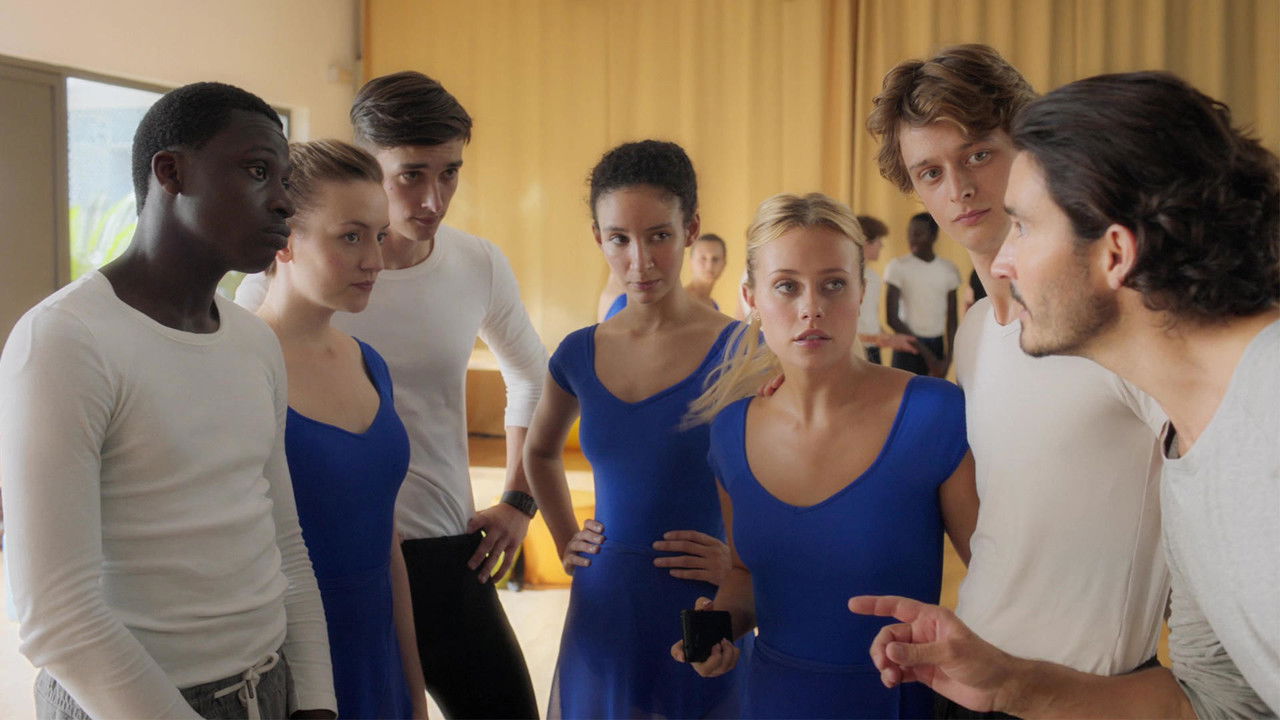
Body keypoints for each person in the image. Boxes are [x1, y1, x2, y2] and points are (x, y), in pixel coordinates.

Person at [854, 71, 1279, 719]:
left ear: (1115, 253)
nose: (1001, 263)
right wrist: (1011, 685)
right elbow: (1217, 701)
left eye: (1024, 225)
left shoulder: (1251, 417)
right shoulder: (1192, 459)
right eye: (930, 172)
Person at [0, 82, 335, 719]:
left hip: (268, 686)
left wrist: (315, 702)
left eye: (285, 180)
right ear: (171, 173)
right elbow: (59, 619)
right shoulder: (67, 340)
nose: (284, 201)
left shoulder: (252, 342)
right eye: (257, 171)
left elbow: (284, 542)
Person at [237, 71, 546, 718]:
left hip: (444, 545)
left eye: (450, 173)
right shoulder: (276, 292)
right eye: (411, 175)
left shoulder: (474, 264)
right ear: (366, 162)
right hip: (319, 556)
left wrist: (519, 499)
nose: (434, 199)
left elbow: (533, 377)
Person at [674, 193, 979, 718]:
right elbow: (745, 575)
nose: (811, 307)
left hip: (897, 702)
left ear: (861, 291)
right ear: (751, 298)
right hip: (772, 699)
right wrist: (718, 627)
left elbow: (995, 577)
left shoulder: (935, 414)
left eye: (833, 284)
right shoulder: (730, 433)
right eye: (786, 286)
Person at [524, 140, 741, 719]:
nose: (639, 261)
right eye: (619, 238)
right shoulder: (578, 353)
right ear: (598, 237)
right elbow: (539, 452)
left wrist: (745, 567)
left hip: (702, 601)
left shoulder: (744, 353)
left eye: (659, 236)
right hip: (604, 601)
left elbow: (791, 478)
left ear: (691, 229)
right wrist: (565, 537)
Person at [254, 139, 429, 719]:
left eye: (379, 236)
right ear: (284, 240)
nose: (375, 260)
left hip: (375, 658)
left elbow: (387, 541)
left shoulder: (368, 363)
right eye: (350, 237)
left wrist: (413, 687)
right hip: (284, 669)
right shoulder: (240, 365)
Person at [883, 212, 959, 375]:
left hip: (937, 346)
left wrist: (948, 359)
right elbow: (892, 318)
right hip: (908, 345)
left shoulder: (948, 270)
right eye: (910, 234)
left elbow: (952, 318)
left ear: (933, 236)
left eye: (918, 234)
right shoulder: (898, 267)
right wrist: (929, 357)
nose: (912, 239)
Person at [600, 232, 727, 320]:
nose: (709, 265)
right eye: (703, 258)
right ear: (691, 260)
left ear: (724, 262)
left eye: (715, 259)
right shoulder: (678, 299)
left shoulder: (713, 306)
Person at [854, 214, 919, 364]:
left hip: (873, 351)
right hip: (854, 352)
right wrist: (880, 339)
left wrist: (889, 338)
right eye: (879, 240)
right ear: (865, 241)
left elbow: (870, 320)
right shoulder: (847, 278)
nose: (881, 245)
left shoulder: (874, 277)